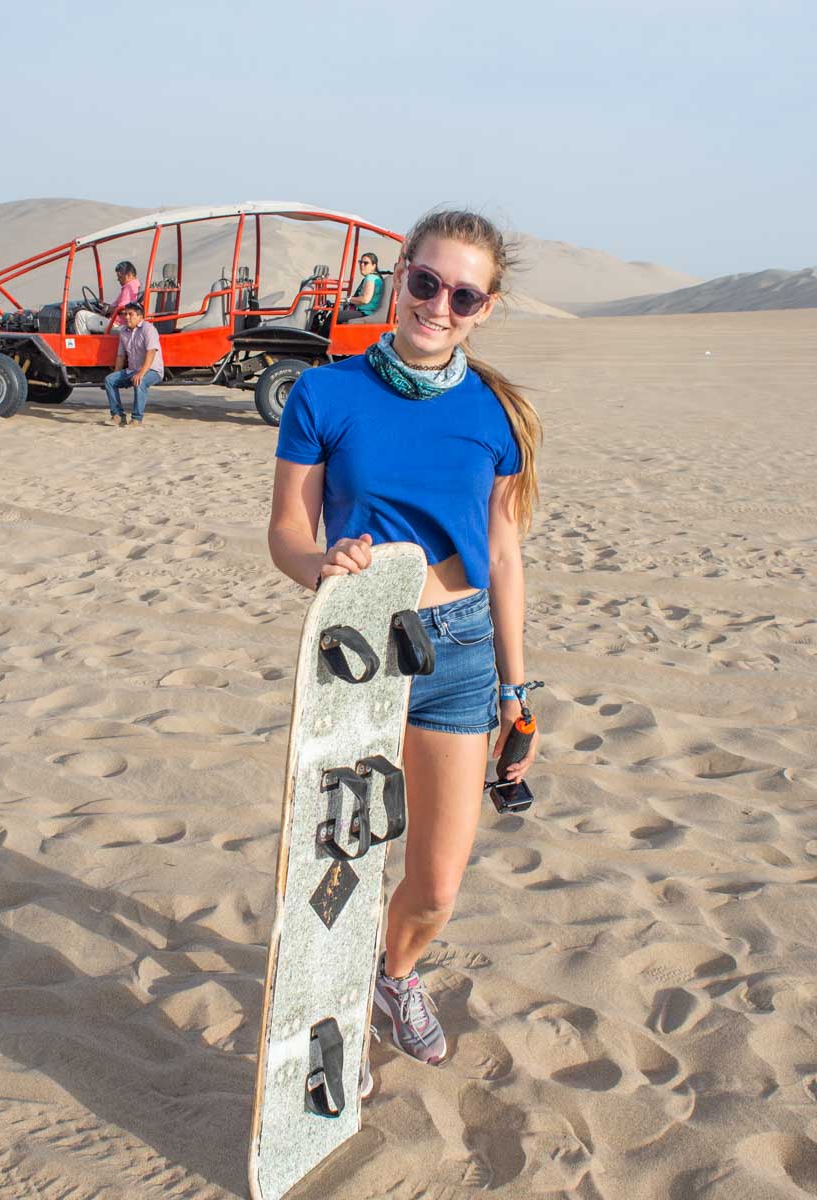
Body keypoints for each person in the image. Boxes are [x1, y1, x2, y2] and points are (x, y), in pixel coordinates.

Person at [268, 210, 542, 1070]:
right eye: (425, 283)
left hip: (458, 653)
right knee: (337, 863)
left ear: (484, 308)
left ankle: (395, 974)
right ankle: (328, 1005)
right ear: (400, 275)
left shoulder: (496, 413)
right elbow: (284, 532)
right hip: (354, 650)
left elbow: (502, 556)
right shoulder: (325, 394)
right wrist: (319, 562)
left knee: (435, 883)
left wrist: (516, 692)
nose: (438, 305)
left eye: (462, 295)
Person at [103, 303, 164, 427]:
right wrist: (116, 374)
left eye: (131, 314)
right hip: (132, 370)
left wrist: (141, 373)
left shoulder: (148, 329)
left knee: (139, 381)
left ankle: (136, 419)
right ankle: (118, 416)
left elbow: (151, 351)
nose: (127, 317)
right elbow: (120, 355)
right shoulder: (123, 331)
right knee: (109, 380)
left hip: (152, 370)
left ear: (140, 317)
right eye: (125, 314)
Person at [75, 261, 143, 335]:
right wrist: (106, 307)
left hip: (118, 324)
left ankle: (84, 345)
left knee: (81, 316)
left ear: (129, 275)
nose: (118, 279)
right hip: (117, 322)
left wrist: (107, 310)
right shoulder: (136, 285)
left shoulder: (130, 286)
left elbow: (123, 309)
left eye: (120, 277)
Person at [336, 253, 384, 322]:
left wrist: (347, 299)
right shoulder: (375, 277)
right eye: (360, 262)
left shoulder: (370, 278)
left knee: (334, 316)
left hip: (366, 313)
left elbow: (365, 300)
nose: (362, 265)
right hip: (368, 312)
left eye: (365, 263)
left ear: (373, 266)